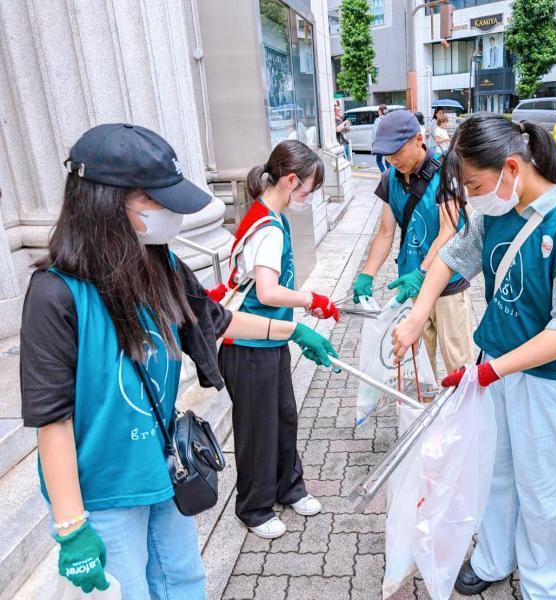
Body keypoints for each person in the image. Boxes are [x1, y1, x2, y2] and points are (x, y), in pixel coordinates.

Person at [19, 124, 337, 597]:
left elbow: (216, 320)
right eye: (158, 201)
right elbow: (52, 420)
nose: (171, 214)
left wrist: (294, 330)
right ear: (106, 201)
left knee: (184, 582)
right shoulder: (55, 295)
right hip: (106, 493)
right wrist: (71, 527)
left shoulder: (161, 265)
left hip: (165, 471)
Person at [392, 113, 556, 600]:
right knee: (497, 469)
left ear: (512, 168)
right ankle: (495, 558)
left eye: (474, 183)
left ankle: (549, 586)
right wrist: (416, 317)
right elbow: (454, 257)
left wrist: (489, 370)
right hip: (499, 368)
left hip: (552, 381)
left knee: (545, 489)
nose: (471, 196)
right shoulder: (495, 210)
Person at [218, 140, 340, 540]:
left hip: (271, 342)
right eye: (307, 189)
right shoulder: (268, 227)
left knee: (283, 417)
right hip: (247, 347)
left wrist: (303, 309)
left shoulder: (273, 216)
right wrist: (310, 300)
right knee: (257, 429)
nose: (307, 197)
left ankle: (289, 487)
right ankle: (253, 508)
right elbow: (268, 292)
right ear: (290, 180)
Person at [352, 109, 474, 382]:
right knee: (418, 365)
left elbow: (450, 228)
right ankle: (423, 416)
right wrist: (367, 274)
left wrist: (423, 270)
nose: (392, 160)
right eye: (386, 155)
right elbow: (385, 232)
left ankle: (464, 420)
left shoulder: (446, 170)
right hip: (410, 284)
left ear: (419, 139)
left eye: (396, 152)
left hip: (448, 283)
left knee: (458, 363)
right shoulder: (390, 179)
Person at [373, 104, 388, 173]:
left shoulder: (378, 120)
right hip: (388, 143)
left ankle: (384, 174)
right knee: (388, 161)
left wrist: (374, 142)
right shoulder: (389, 119)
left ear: (381, 111)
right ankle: (390, 175)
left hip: (380, 143)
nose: (378, 112)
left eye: (378, 111)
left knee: (378, 160)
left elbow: (375, 133)